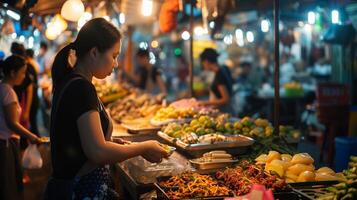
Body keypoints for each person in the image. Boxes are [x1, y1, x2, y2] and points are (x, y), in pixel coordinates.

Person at [44, 18, 169, 199]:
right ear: (94, 52)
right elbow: (97, 152)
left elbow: (84, 141)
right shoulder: (81, 88)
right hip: (80, 191)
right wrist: (143, 147)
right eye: (114, 56)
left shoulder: (72, 82)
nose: (116, 63)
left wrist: (109, 141)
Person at [0, 55, 42, 200]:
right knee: (8, 184)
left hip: (5, 140)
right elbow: (12, 123)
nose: (24, 77)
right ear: (12, 73)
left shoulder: (4, 88)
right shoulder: (8, 92)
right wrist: (31, 136)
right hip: (5, 142)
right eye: (22, 72)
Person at [198, 48, 234, 114]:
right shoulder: (224, 68)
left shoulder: (219, 75)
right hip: (228, 110)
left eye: (202, 63)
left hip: (224, 112)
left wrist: (205, 103)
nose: (203, 65)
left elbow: (226, 99)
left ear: (206, 62)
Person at [25, 49, 40, 136]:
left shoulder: (29, 66)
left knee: (32, 121)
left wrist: (26, 110)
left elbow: (30, 88)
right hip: (35, 96)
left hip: (33, 97)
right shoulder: (34, 64)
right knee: (33, 121)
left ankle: (37, 140)